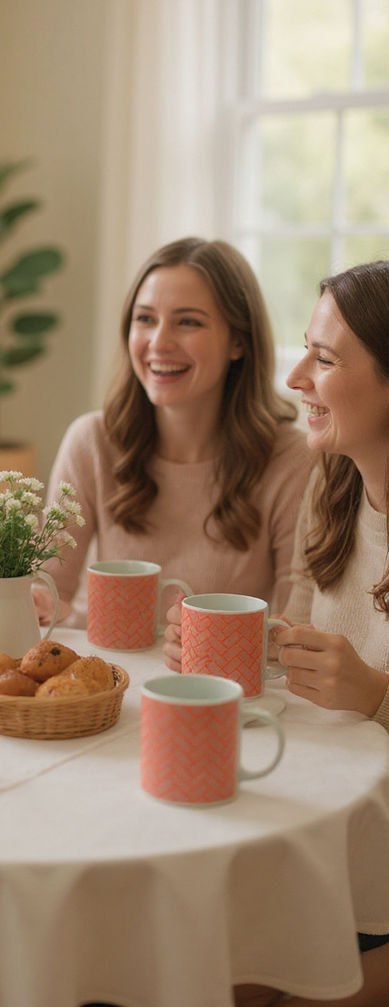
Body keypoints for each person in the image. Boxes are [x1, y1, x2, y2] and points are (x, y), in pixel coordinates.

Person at [160, 260, 389, 1007]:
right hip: (325, 822)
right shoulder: (337, 483)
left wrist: (379, 697)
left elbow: (363, 697)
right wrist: (228, 646)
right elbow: (300, 634)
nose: (295, 378)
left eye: (323, 360)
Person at [41, 237, 314, 625]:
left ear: (238, 340)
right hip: (106, 675)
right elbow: (48, 592)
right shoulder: (91, 441)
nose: (159, 342)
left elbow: (295, 624)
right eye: (145, 319)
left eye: (188, 322)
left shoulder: (293, 459)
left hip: (225, 684)